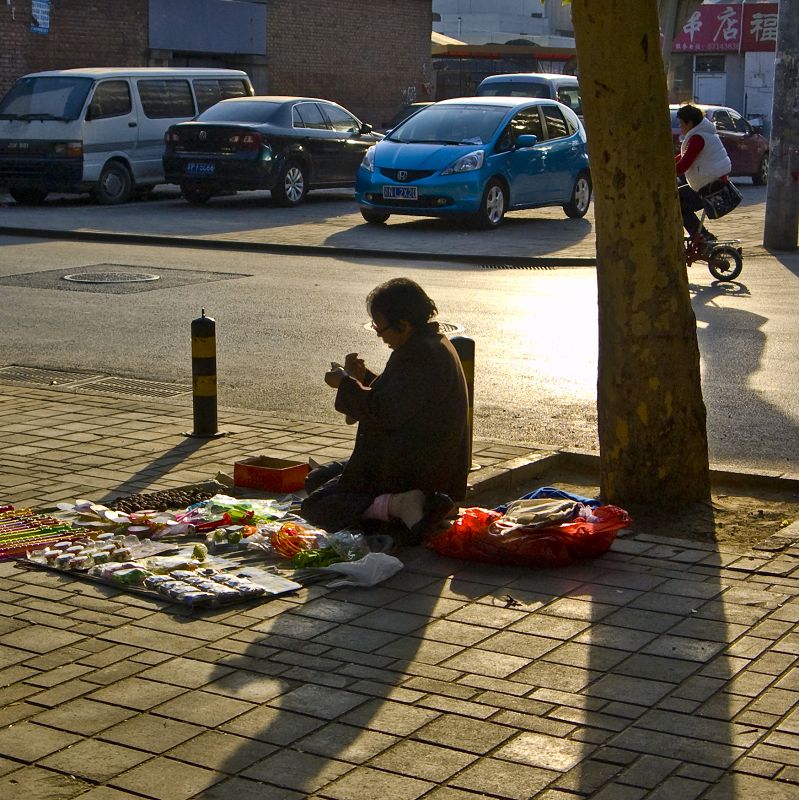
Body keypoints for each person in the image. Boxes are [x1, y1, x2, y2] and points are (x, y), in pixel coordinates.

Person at [300, 278, 470, 542]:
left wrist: (345, 384)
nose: (379, 336)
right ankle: (403, 507)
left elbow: (385, 411)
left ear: (404, 324)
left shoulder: (421, 354)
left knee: (316, 506)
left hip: (414, 467)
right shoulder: (427, 342)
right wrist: (363, 378)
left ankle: (402, 505)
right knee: (317, 479)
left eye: (381, 328)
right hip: (414, 456)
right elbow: (405, 397)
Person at [674, 103, 732, 242]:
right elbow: (683, 156)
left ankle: (702, 237)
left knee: (678, 201)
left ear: (690, 123)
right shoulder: (701, 134)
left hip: (711, 186)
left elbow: (684, 164)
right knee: (680, 197)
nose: (680, 127)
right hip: (711, 180)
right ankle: (700, 235)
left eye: (681, 123)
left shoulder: (698, 138)